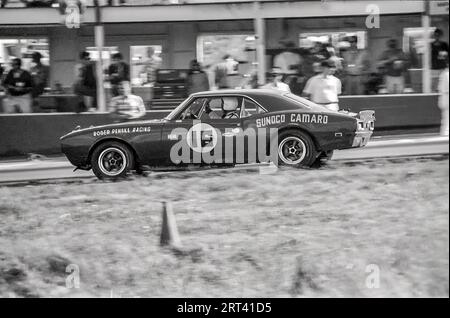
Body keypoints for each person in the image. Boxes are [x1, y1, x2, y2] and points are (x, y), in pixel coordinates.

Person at [437, 57, 449, 136]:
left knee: (445, 119)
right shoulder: (446, 73)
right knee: (447, 120)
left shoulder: (444, 73)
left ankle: (444, 135)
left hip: (444, 97)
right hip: (446, 97)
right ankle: (445, 136)